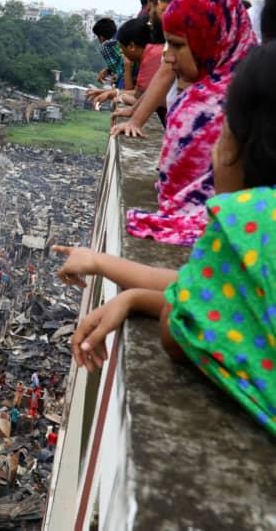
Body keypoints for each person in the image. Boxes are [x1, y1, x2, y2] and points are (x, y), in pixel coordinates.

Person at [55, 42, 276, 435]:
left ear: (244, 146)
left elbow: (180, 327)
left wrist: (135, 293)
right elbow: (223, 295)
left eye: (218, 132)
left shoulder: (249, 219)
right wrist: (122, 282)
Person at [125, 0, 258, 246]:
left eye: (177, 46)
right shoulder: (252, 85)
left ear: (208, 39)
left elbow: (176, 199)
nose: (170, 59)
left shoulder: (206, 108)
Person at [112, 0, 190, 137]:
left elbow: (164, 75)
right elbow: (159, 79)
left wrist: (136, 120)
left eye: (150, 10)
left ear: (160, 6)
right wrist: (134, 112)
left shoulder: (186, 33)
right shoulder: (175, 33)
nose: (148, 21)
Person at [92, 18, 125, 88]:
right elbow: (120, 60)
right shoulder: (122, 38)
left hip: (124, 80)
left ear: (101, 38)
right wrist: (108, 70)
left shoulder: (105, 46)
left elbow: (115, 68)